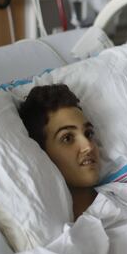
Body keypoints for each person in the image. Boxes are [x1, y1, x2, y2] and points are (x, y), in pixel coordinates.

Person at [19, 84, 100, 220]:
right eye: (67, 138)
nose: (88, 146)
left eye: (88, 133)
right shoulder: (61, 237)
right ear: (42, 154)